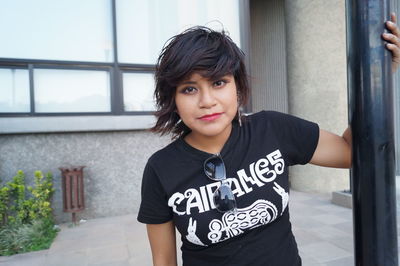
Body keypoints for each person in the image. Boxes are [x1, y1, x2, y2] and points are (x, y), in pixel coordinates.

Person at [137, 13, 400, 266]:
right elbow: (164, 261)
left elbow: (350, 152)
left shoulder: (272, 129)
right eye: (189, 89)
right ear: (173, 99)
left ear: (237, 88)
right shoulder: (161, 169)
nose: (207, 101)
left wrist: (380, 79)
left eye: (218, 83)